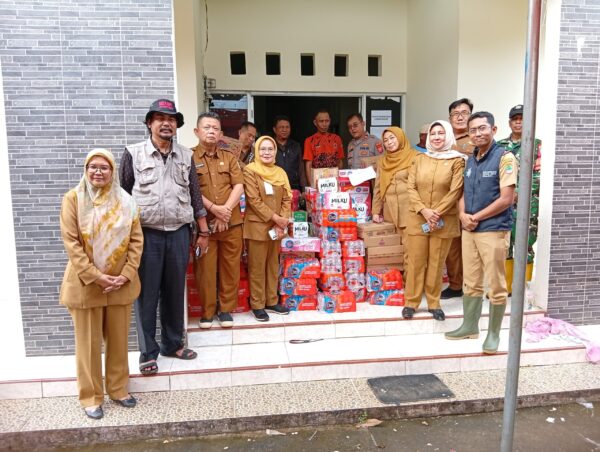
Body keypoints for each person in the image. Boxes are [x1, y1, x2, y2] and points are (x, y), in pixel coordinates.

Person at [120, 99, 209, 376]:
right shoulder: (133, 153)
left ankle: (173, 344)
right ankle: (148, 352)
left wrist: (203, 231)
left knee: (174, 291)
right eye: (160, 118)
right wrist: (123, 239)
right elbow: (123, 195)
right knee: (146, 294)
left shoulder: (185, 155)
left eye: (171, 119)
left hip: (179, 232)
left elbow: (195, 195)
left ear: (176, 125)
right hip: (146, 235)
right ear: (150, 123)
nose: (166, 123)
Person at [60, 149, 142, 420]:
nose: (98, 171)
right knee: (88, 346)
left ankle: (118, 389)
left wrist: (126, 274)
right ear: (85, 170)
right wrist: (95, 275)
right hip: (86, 284)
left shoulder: (126, 201)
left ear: (112, 171)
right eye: (92, 167)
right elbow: (71, 242)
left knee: (119, 342)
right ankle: (91, 397)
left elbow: (136, 240)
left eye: (104, 167)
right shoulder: (73, 199)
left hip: (119, 283)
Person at [445, 112, 517, 355]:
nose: (478, 133)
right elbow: (462, 193)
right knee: (471, 280)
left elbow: (507, 199)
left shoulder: (505, 158)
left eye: (482, 128)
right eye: (473, 130)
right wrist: (462, 215)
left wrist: (475, 217)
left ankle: (494, 334)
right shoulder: (470, 160)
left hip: (493, 230)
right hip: (469, 229)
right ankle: (469, 326)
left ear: (493, 130)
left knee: (495, 284)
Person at [403, 121, 466, 321]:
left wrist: (436, 213)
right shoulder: (419, 159)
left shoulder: (457, 160)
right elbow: (410, 187)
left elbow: (456, 190)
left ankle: (433, 303)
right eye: (433, 133)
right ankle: (411, 303)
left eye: (441, 133)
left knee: (436, 263)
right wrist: (424, 211)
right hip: (418, 217)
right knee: (416, 262)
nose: (437, 137)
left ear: (448, 136)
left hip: (443, 220)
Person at [192, 112, 245, 329]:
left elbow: (239, 185)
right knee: (205, 270)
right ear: (197, 131)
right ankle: (207, 312)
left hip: (231, 223)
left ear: (221, 134)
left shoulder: (230, 157)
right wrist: (215, 210)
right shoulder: (189, 158)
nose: (211, 132)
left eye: (215, 128)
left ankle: (225, 310)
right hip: (204, 225)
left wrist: (226, 211)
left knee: (230, 268)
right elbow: (191, 190)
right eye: (207, 127)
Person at [243, 136, 292, 321]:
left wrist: (282, 221)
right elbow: (254, 200)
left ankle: (271, 301)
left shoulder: (280, 172)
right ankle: (257, 305)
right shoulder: (250, 170)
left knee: (272, 265)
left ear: (275, 151)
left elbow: (287, 198)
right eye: (262, 149)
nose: (266, 152)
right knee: (257, 267)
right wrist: (277, 219)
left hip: (277, 228)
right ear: (256, 151)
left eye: (270, 149)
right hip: (257, 226)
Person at [497, 104, 542, 293]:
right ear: (509, 123)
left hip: (528, 204)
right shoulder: (500, 146)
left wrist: (519, 193)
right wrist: (506, 194)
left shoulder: (537, 145)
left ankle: (523, 289)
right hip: (504, 203)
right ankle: (506, 287)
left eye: (522, 119)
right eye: (515, 119)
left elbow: (539, 175)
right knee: (505, 244)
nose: (518, 122)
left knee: (525, 245)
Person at [441, 98, 476, 300]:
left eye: (464, 113)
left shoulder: (476, 139)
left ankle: (473, 285)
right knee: (452, 246)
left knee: (471, 245)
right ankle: (455, 285)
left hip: (471, 200)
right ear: (449, 118)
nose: (460, 117)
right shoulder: (443, 139)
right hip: (448, 201)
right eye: (455, 113)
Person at [372, 126, 419, 266]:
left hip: (409, 209)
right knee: (394, 248)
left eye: (392, 138)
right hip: (390, 211)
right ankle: (397, 277)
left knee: (411, 248)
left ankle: (409, 278)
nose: (389, 142)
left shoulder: (415, 157)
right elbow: (378, 188)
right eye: (386, 140)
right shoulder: (382, 161)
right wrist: (375, 211)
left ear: (400, 138)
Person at [304, 109, 344, 185]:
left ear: (330, 121)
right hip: (317, 181)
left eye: (327, 121)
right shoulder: (309, 140)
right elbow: (308, 165)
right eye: (321, 121)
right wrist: (311, 185)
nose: (324, 124)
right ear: (315, 123)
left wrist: (338, 181)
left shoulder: (336, 139)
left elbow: (340, 162)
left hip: (333, 181)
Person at [273, 115, 306, 191]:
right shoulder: (269, 146)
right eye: (281, 127)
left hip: (294, 187)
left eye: (287, 127)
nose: (284, 130)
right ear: (274, 129)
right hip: (275, 187)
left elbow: (301, 168)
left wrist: (304, 189)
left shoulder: (296, 146)